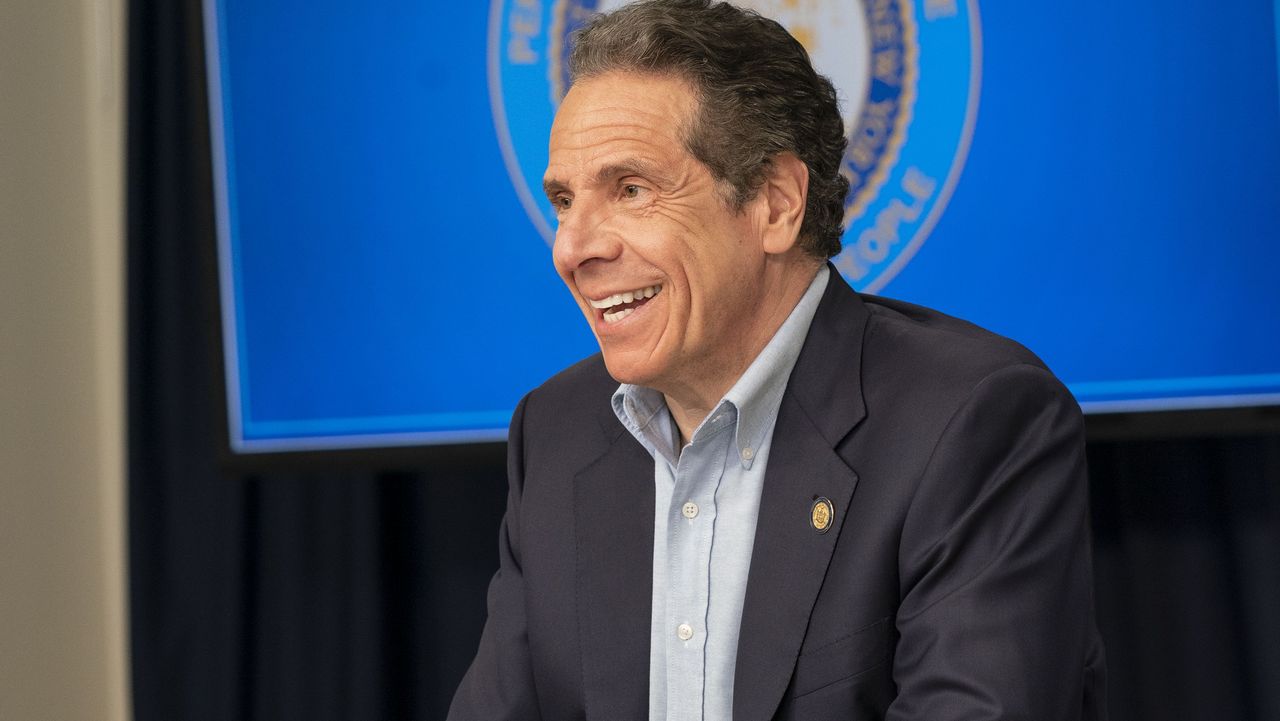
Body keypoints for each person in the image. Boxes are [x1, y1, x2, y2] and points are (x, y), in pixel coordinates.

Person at [450, 1, 1106, 719]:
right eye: (565, 201)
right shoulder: (555, 431)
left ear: (775, 202)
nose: (572, 249)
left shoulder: (971, 420)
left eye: (631, 190)